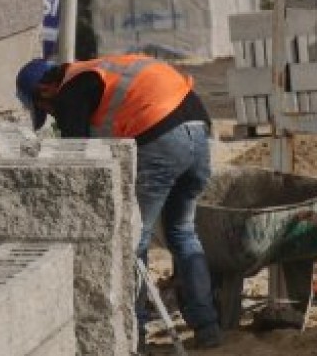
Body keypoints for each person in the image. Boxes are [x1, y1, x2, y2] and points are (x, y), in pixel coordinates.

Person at [15, 55, 222, 350]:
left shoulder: (70, 91)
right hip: (198, 131)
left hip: (161, 135)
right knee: (183, 232)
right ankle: (208, 326)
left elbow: (78, 161)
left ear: (45, 91)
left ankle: (133, 332)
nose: (52, 114)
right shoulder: (99, 71)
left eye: (46, 110)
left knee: (135, 237)